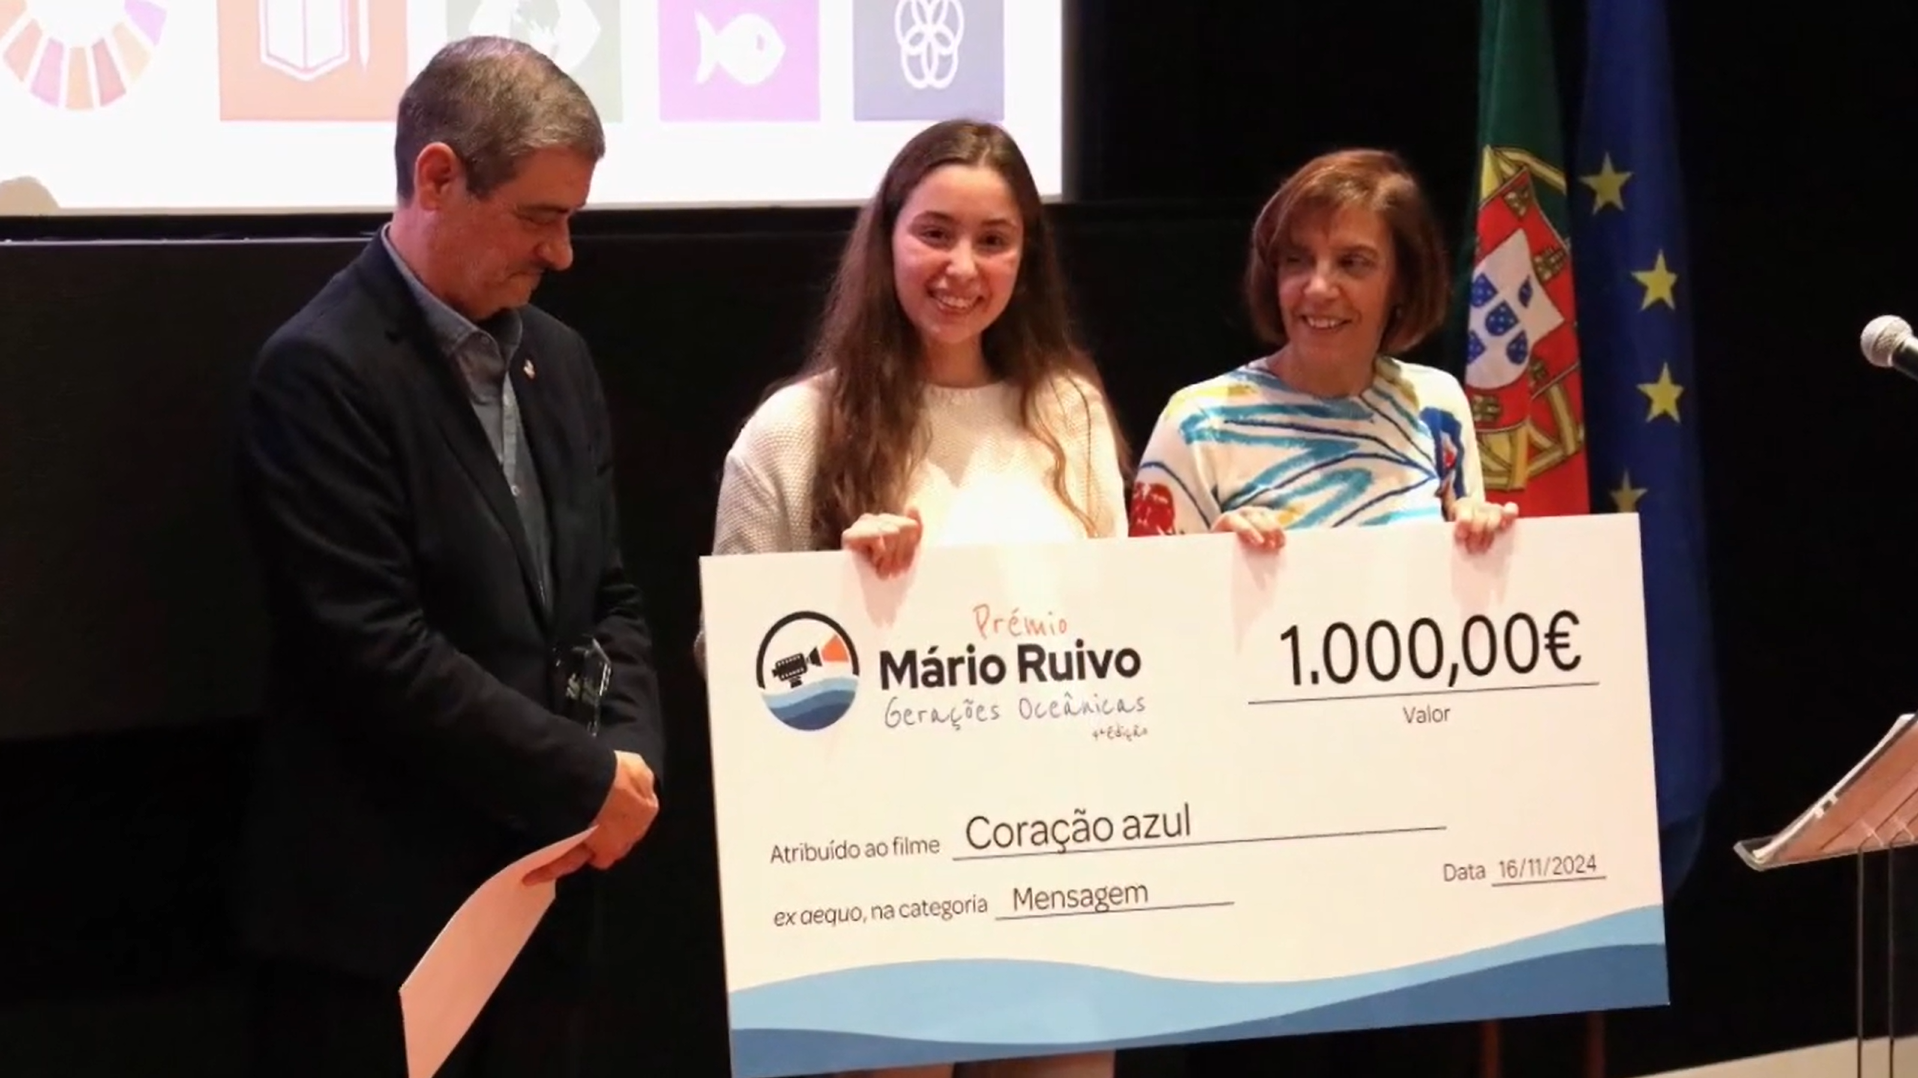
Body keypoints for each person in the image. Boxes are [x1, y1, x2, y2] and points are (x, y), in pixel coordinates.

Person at [232, 36, 665, 1078]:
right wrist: (581, 775)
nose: (562, 253)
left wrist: (629, 762)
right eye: (538, 216)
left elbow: (606, 595)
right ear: (436, 178)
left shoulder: (559, 359)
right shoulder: (319, 372)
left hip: (542, 899)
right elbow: (377, 651)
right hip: (387, 929)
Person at [703, 119, 1125, 1078]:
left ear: (1027, 255)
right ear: (887, 237)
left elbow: (1118, 636)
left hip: (1055, 868)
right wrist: (836, 600)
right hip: (875, 880)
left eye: (994, 239)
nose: (962, 267)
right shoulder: (793, 432)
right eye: (935, 232)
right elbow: (728, 664)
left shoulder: (1071, 413)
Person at [1129, 147, 1505, 1078]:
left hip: (1411, 838)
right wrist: (1209, 573)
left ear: (1403, 281)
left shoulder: (1437, 409)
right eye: (1296, 260)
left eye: (1353, 261)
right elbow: (1134, 648)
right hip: (1252, 852)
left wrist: (1484, 549)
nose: (1317, 287)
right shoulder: (1200, 420)